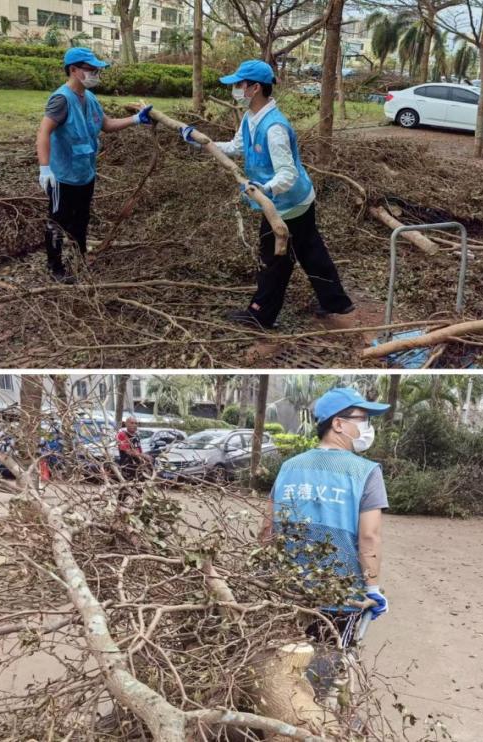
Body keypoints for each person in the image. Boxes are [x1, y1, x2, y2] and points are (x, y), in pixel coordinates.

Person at [180, 60, 354, 329]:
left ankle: (260, 314)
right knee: (310, 250)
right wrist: (202, 142)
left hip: (286, 203)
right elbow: (237, 147)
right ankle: (336, 301)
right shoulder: (251, 118)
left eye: (239, 85)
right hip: (296, 200)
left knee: (273, 260)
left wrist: (265, 190)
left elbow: (287, 173)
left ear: (255, 88)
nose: (235, 89)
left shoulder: (274, 128)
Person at [260, 388, 390, 643]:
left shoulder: (289, 467)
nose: (367, 427)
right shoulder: (367, 472)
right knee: (328, 666)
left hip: (287, 592)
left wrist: (266, 579)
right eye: (363, 419)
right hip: (340, 595)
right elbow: (369, 537)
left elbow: (266, 529)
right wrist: (373, 588)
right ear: (338, 424)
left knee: (285, 661)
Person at [37, 48, 154, 282]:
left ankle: (80, 261)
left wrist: (135, 119)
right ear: (73, 70)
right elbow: (43, 133)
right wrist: (45, 168)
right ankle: (55, 268)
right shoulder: (61, 99)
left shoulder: (89, 98)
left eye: (97, 70)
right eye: (91, 70)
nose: (96, 74)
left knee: (81, 219)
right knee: (58, 221)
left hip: (85, 173)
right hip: (62, 175)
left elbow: (106, 125)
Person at [117, 416, 152, 482]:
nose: (134, 425)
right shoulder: (122, 435)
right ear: (126, 424)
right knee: (128, 489)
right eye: (132, 423)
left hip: (138, 467)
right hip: (127, 467)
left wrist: (146, 459)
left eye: (136, 423)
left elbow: (139, 451)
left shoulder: (136, 436)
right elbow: (128, 452)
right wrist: (143, 456)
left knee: (140, 488)